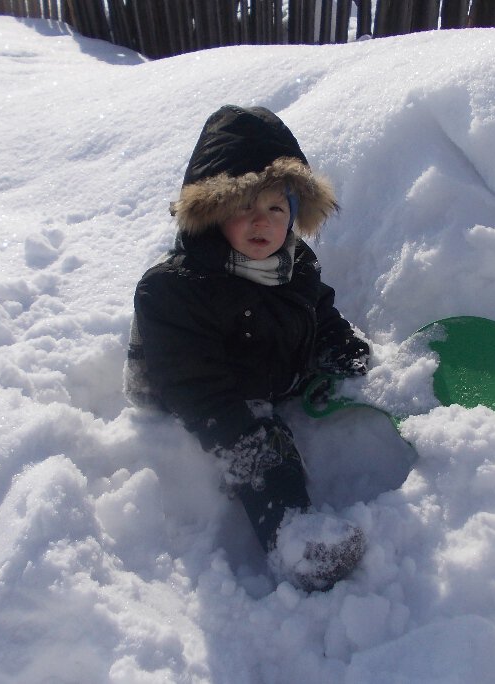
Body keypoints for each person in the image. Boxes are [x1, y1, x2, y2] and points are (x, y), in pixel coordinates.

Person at [124, 105, 370, 591]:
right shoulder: (175, 289)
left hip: (265, 367)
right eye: (243, 208)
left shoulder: (293, 264)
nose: (262, 222)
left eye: (276, 208)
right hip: (204, 395)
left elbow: (318, 311)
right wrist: (244, 421)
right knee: (260, 445)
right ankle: (293, 535)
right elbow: (196, 385)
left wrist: (341, 346)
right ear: (214, 216)